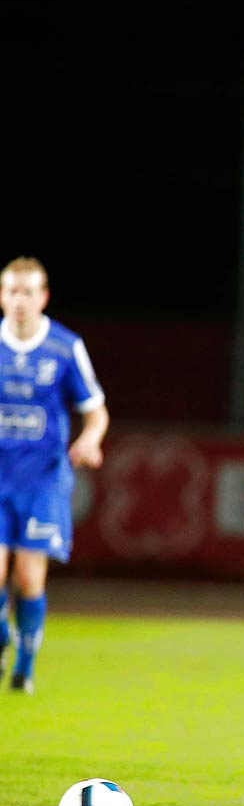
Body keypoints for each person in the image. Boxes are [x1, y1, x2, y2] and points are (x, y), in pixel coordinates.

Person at [0, 257, 108, 694]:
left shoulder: (64, 348)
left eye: (28, 292)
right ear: (2, 297)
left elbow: (96, 411)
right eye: (12, 291)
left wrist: (91, 440)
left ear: (43, 297)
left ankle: (25, 660)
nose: (19, 301)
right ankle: (3, 640)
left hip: (43, 480)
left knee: (28, 577)